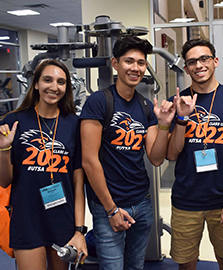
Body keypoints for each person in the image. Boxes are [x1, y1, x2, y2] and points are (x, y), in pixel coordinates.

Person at [80, 35, 175, 270]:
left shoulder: (144, 106)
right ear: (115, 63)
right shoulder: (99, 102)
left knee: (135, 266)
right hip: (108, 205)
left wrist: (163, 124)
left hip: (141, 202)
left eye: (141, 63)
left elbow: (155, 158)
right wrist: (111, 209)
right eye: (129, 61)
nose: (136, 68)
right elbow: (89, 161)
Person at [166, 38, 223, 270]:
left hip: (222, 199)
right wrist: (182, 118)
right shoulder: (177, 101)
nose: (199, 65)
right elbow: (172, 154)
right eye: (192, 61)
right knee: (186, 264)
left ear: (215, 61)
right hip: (186, 199)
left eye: (204, 58)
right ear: (186, 68)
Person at [0, 59, 87, 270]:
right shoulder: (14, 121)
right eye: (47, 80)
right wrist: (5, 149)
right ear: (36, 84)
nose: (54, 87)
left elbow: (78, 185)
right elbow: (3, 181)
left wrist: (79, 230)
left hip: (62, 218)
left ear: (66, 88)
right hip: (26, 218)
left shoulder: (74, 124)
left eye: (61, 82)